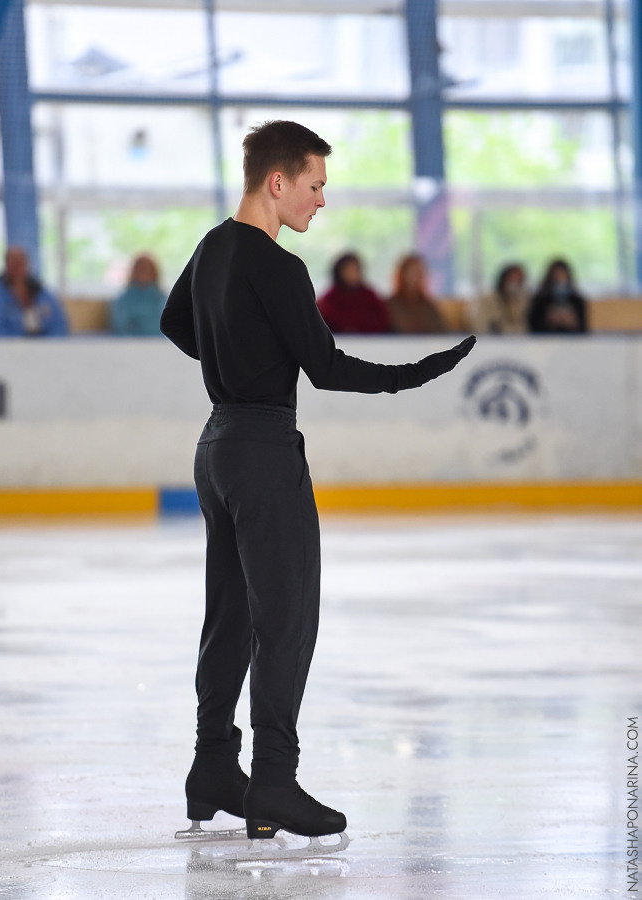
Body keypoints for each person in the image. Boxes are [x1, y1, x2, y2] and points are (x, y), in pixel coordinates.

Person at [160, 119, 476, 846]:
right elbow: (328, 370)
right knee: (286, 619)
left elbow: (176, 322)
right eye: (315, 185)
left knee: (230, 616)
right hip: (266, 451)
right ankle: (270, 776)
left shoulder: (211, 248)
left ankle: (213, 768)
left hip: (216, 447)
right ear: (278, 182)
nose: (320, 200)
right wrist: (417, 373)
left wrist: (233, 355)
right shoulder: (278, 267)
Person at [0, 247, 68, 337]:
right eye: (13, 262)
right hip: (9, 347)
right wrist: (21, 347)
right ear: (6, 265)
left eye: (21, 262)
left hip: (44, 347)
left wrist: (47, 346)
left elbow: (60, 325)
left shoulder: (43, 293)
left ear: (27, 264)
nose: (17, 267)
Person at [316, 252, 389, 334]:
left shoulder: (370, 297)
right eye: (348, 270)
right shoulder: (329, 299)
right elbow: (326, 323)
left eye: (355, 270)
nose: (352, 275)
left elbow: (381, 321)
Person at [388, 254, 447, 334]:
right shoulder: (391, 305)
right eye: (411, 273)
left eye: (418, 273)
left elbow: (441, 332)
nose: (414, 278)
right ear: (402, 275)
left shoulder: (428, 306)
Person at [111, 253, 166, 336]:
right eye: (140, 269)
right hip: (130, 344)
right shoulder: (123, 300)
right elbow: (120, 326)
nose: (144, 273)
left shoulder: (162, 299)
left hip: (158, 344)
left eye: (147, 270)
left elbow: (164, 325)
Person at [528, 259, 588, 334]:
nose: (559, 280)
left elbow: (584, 330)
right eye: (556, 277)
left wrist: (572, 323)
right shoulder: (540, 301)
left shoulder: (577, 301)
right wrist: (549, 321)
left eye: (562, 277)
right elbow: (533, 329)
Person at [476, 263, 529, 335]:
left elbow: (523, 327)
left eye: (519, 281)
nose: (515, 285)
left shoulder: (523, 301)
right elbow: (481, 325)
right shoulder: (488, 300)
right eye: (512, 280)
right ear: (504, 279)